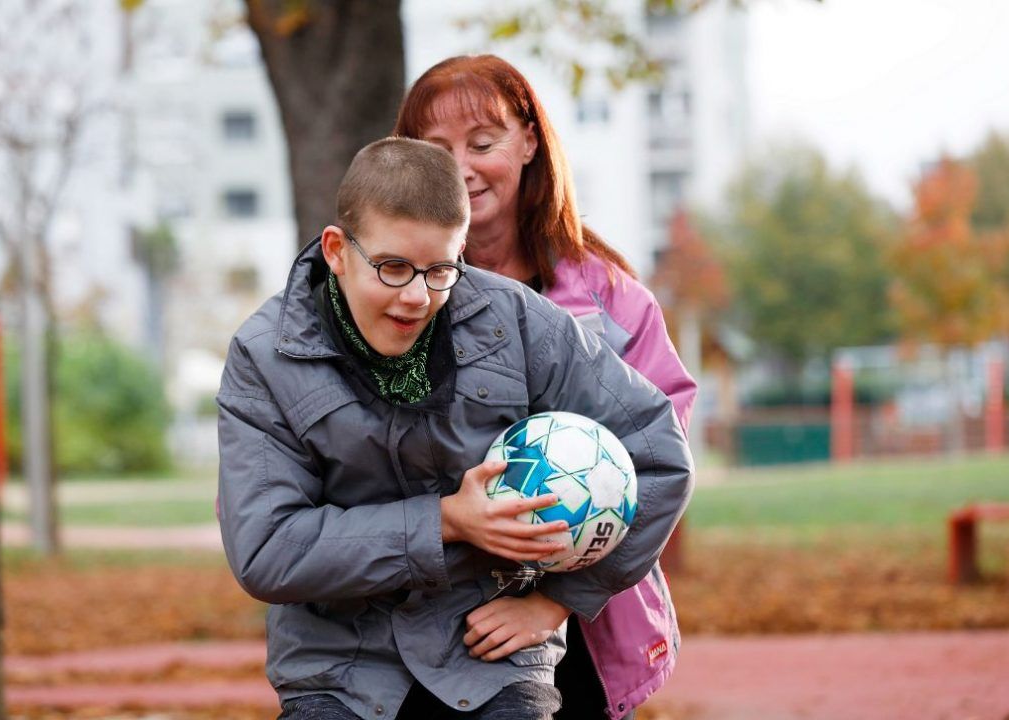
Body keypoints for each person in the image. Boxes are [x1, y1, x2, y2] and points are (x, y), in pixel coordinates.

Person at [217, 137, 693, 720]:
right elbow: (267, 549)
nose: (417, 296)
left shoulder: (518, 322)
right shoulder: (265, 356)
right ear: (338, 250)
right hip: (340, 668)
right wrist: (444, 522)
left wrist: (559, 601)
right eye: (393, 268)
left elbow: (661, 455)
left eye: (440, 269)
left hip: (490, 659)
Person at [394, 55, 698, 720]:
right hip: (426, 615)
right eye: (437, 150)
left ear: (529, 141)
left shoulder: (614, 304)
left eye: (483, 143)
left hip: (582, 627)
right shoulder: (391, 301)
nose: (463, 168)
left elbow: (654, 470)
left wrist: (554, 603)